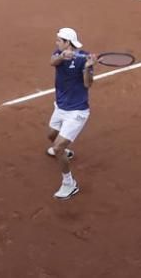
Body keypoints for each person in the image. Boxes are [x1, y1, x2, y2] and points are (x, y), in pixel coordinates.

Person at [47, 27, 96, 200]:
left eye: (59, 40)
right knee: (51, 135)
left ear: (68, 42)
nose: (56, 42)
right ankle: (65, 151)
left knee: (57, 147)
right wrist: (62, 56)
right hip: (60, 106)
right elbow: (52, 62)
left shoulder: (84, 58)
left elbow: (88, 84)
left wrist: (88, 68)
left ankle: (69, 184)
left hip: (77, 110)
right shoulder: (59, 53)